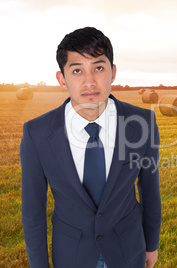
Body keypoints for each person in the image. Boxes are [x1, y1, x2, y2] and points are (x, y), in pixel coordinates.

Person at [20, 27, 161, 268]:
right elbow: (33, 211)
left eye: (98, 67)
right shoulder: (37, 133)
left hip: (128, 251)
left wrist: (151, 244)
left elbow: (150, 191)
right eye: (77, 70)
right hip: (71, 256)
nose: (89, 81)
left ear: (113, 72)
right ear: (61, 78)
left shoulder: (142, 123)